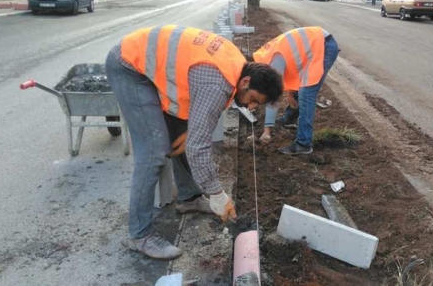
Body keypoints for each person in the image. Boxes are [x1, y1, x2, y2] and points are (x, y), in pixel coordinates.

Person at [105, 25, 283, 260]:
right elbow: (198, 147)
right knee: (154, 152)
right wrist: (217, 193)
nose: (251, 107)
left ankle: (188, 198)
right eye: (253, 100)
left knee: (182, 134)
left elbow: (196, 127)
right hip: (129, 66)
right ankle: (139, 235)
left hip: (147, 62)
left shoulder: (237, 65)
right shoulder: (217, 84)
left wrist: (190, 131)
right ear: (245, 82)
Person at [252, 27, 339, 155]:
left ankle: (304, 143)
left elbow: (274, 97)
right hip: (317, 44)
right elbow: (294, 69)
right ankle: (289, 119)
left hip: (323, 47)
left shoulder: (273, 63)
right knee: (302, 87)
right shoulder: (265, 59)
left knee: (306, 93)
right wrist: (291, 94)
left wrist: (267, 130)